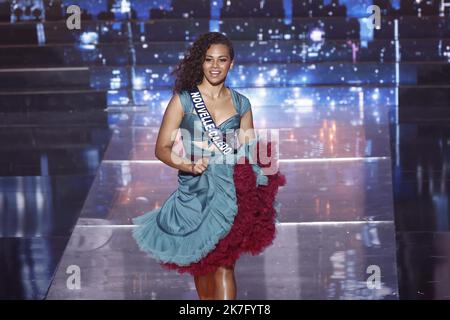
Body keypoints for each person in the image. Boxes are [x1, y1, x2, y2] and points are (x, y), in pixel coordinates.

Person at [132, 32, 285, 300]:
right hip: (194, 192)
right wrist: (189, 165)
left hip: (228, 192)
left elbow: (249, 149)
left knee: (226, 264)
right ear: (201, 63)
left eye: (221, 60)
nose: (215, 66)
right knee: (201, 265)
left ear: (231, 64)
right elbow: (161, 149)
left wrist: (260, 177)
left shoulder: (241, 103)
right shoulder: (184, 100)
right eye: (208, 60)